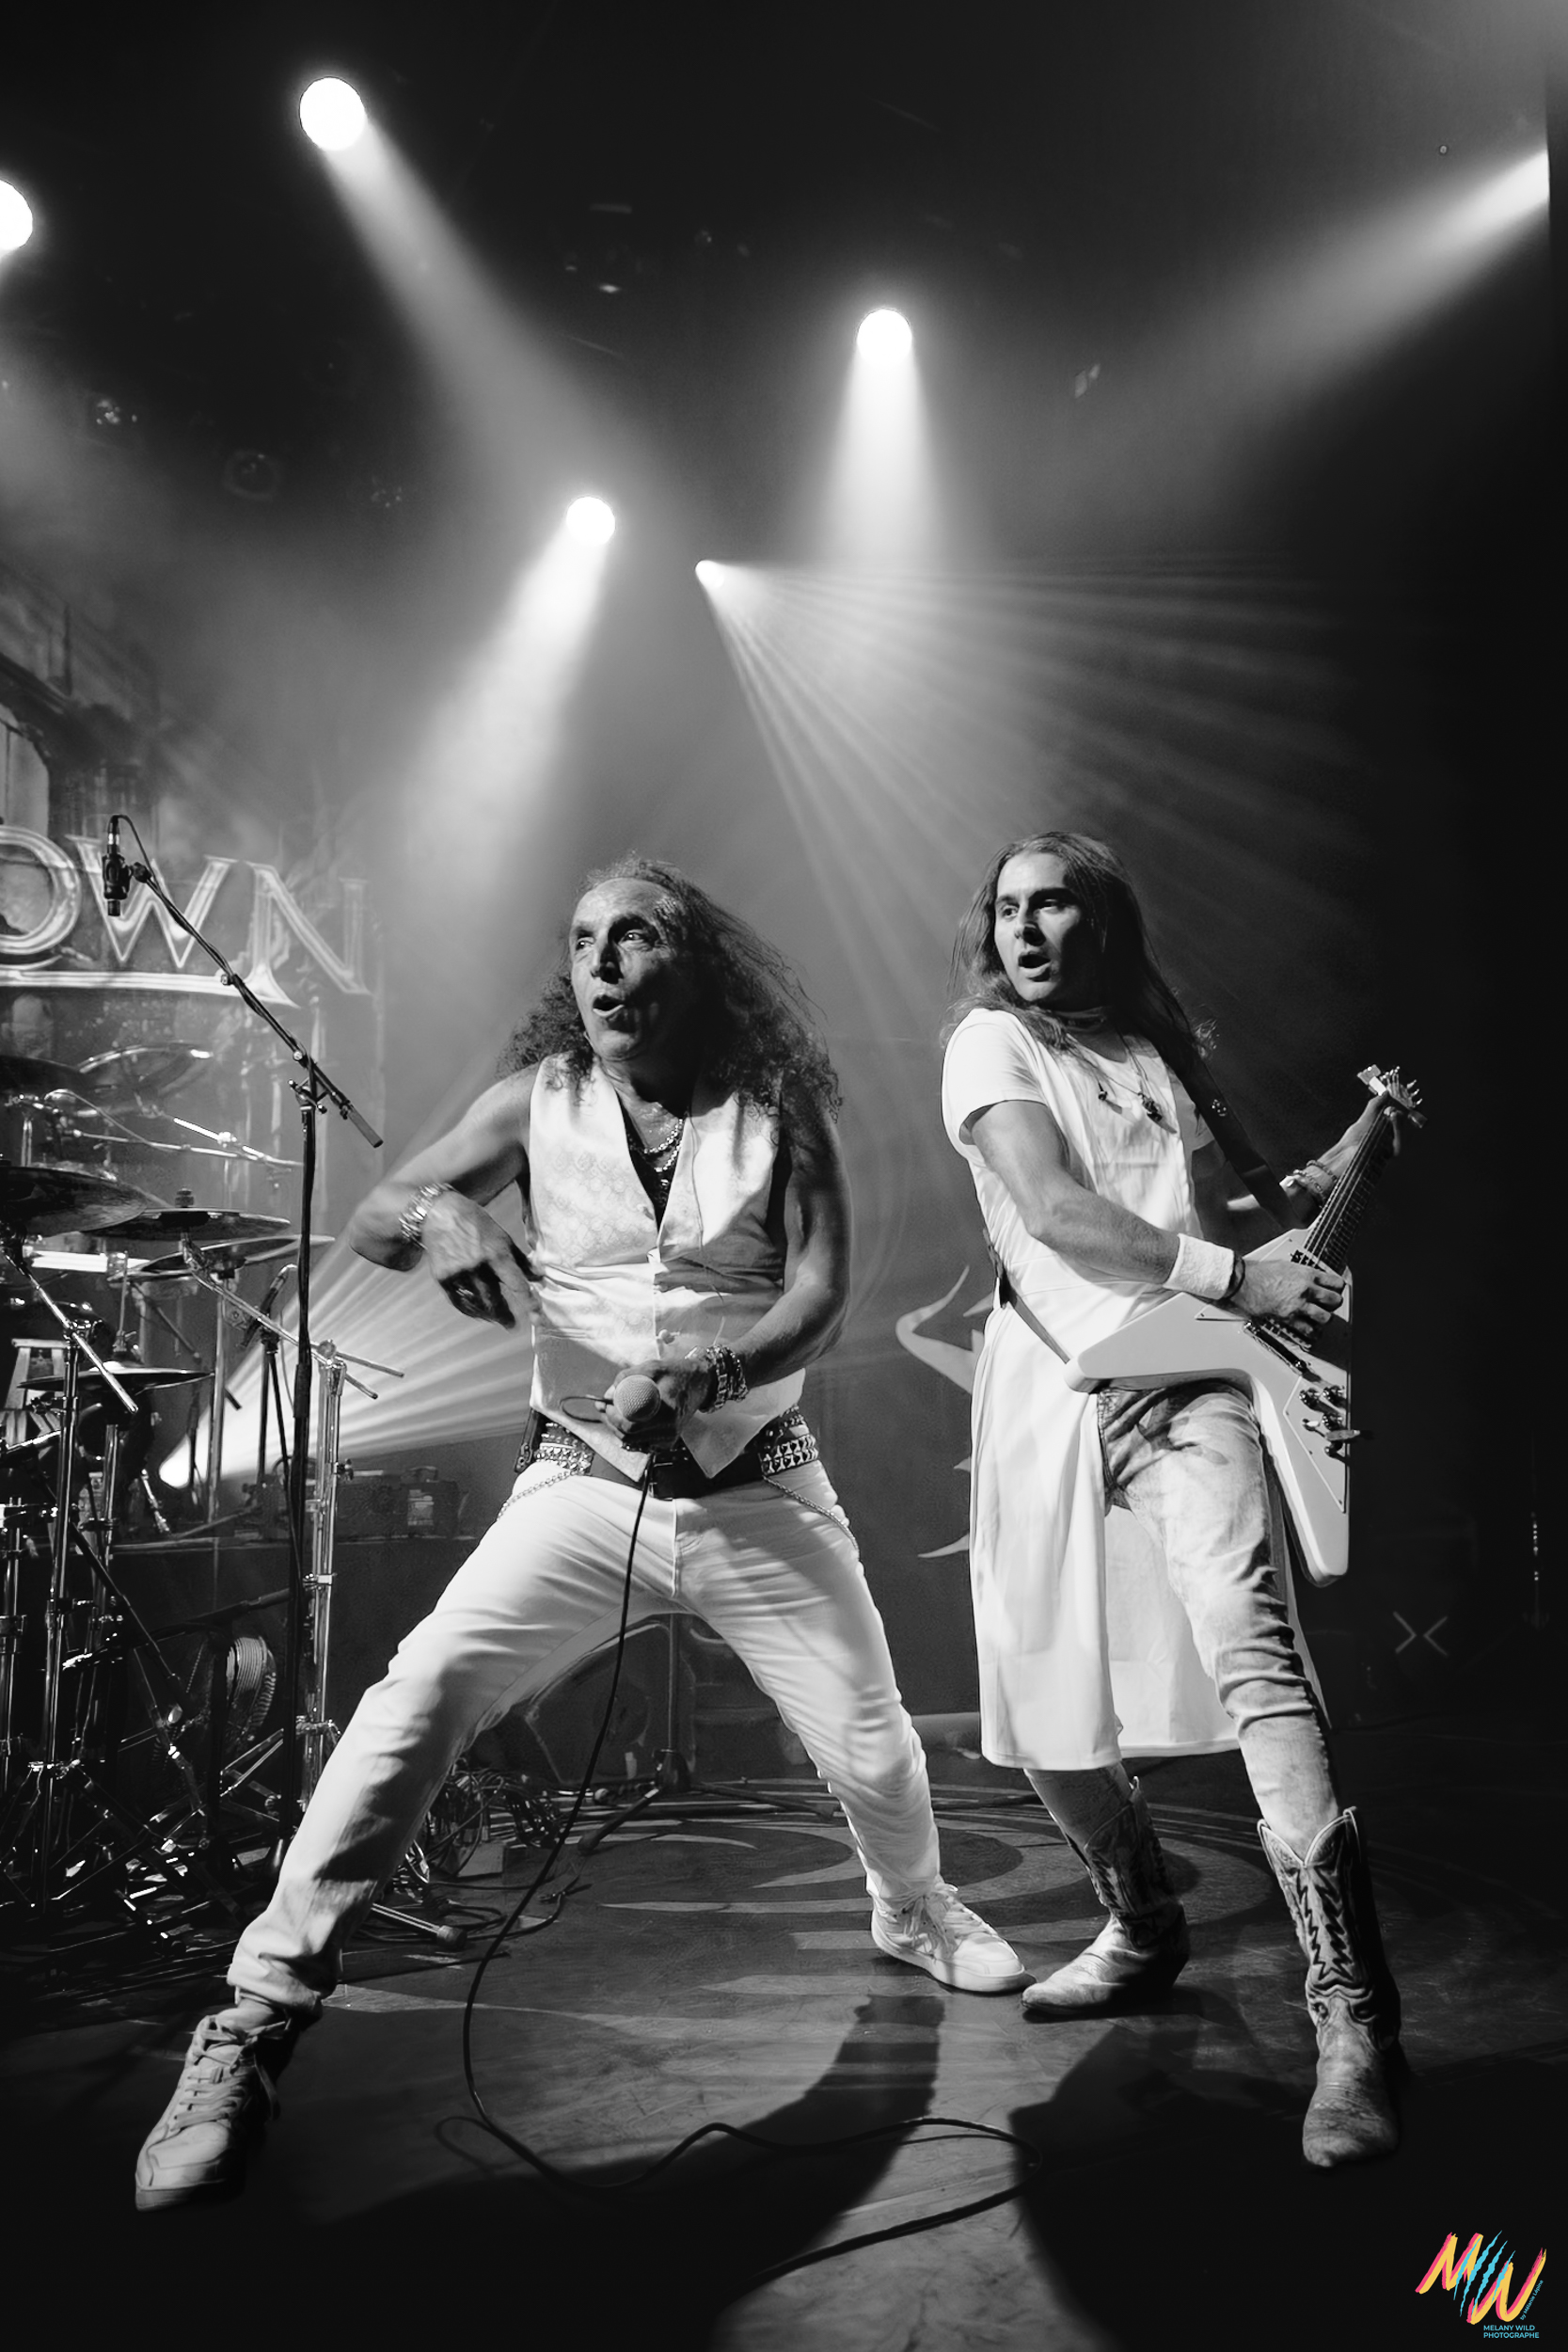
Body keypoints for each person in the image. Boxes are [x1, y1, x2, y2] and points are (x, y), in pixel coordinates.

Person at [135, 855, 1025, 2212]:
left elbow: (823, 1293)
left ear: (695, 964)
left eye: (635, 937)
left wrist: (708, 1376)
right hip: (580, 1489)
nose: (602, 963)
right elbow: (380, 1213)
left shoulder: (779, 1109)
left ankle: (910, 1909)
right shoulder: (532, 1103)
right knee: (418, 1697)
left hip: (761, 1488)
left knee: (872, 1747)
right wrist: (441, 1216)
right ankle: (255, 2017)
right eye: (583, 940)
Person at [940, 830, 1402, 2169]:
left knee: (1258, 1657)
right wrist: (1240, 1279)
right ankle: (1143, 1922)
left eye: (1055, 905)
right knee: (1038, 1702)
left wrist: (1347, 1162)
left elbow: (1219, 1221)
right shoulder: (989, 1044)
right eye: (1009, 909)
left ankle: (1355, 2022)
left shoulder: (1155, 1060)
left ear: (1105, 925)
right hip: (1049, 1393)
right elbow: (1054, 1211)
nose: (1027, 930)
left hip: (1192, 1385)